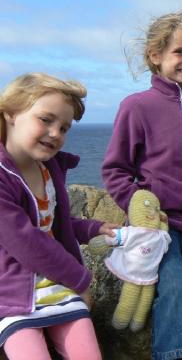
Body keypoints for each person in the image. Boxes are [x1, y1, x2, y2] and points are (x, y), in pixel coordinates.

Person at [102, 10, 182, 360]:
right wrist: (142, 210)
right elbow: (115, 170)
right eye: (181, 51)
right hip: (156, 228)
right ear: (155, 56)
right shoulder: (137, 107)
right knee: (174, 289)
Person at [0, 72, 119, 360]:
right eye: (46, 119)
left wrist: (92, 228)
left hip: (56, 283)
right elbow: (25, 241)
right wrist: (80, 279)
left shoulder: (48, 169)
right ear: (12, 113)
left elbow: (50, 224)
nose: (56, 133)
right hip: (12, 292)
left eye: (64, 127)